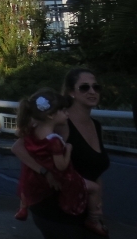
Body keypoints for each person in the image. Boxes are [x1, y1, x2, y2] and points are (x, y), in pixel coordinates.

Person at [13, 68, 123, 239]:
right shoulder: (61, 122)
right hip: (56, 210)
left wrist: (97, 207)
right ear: (71, 92)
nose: (92, 91)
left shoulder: (96, 126)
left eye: (96, 87)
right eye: (84, 87)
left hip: (87, 210)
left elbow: (96, 170)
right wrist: (46, 172)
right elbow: (19, 146)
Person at [14, 89, 97, 229]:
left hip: (35, 180)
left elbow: (18, 147)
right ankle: (95, 218)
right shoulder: (54, 141)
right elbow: (61, 166)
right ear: (51, 115)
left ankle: (23, 206)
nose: (67, 114)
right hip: (63, 177)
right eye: (63, 111)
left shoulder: (32, 133)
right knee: (95, 188)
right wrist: (69, 149)